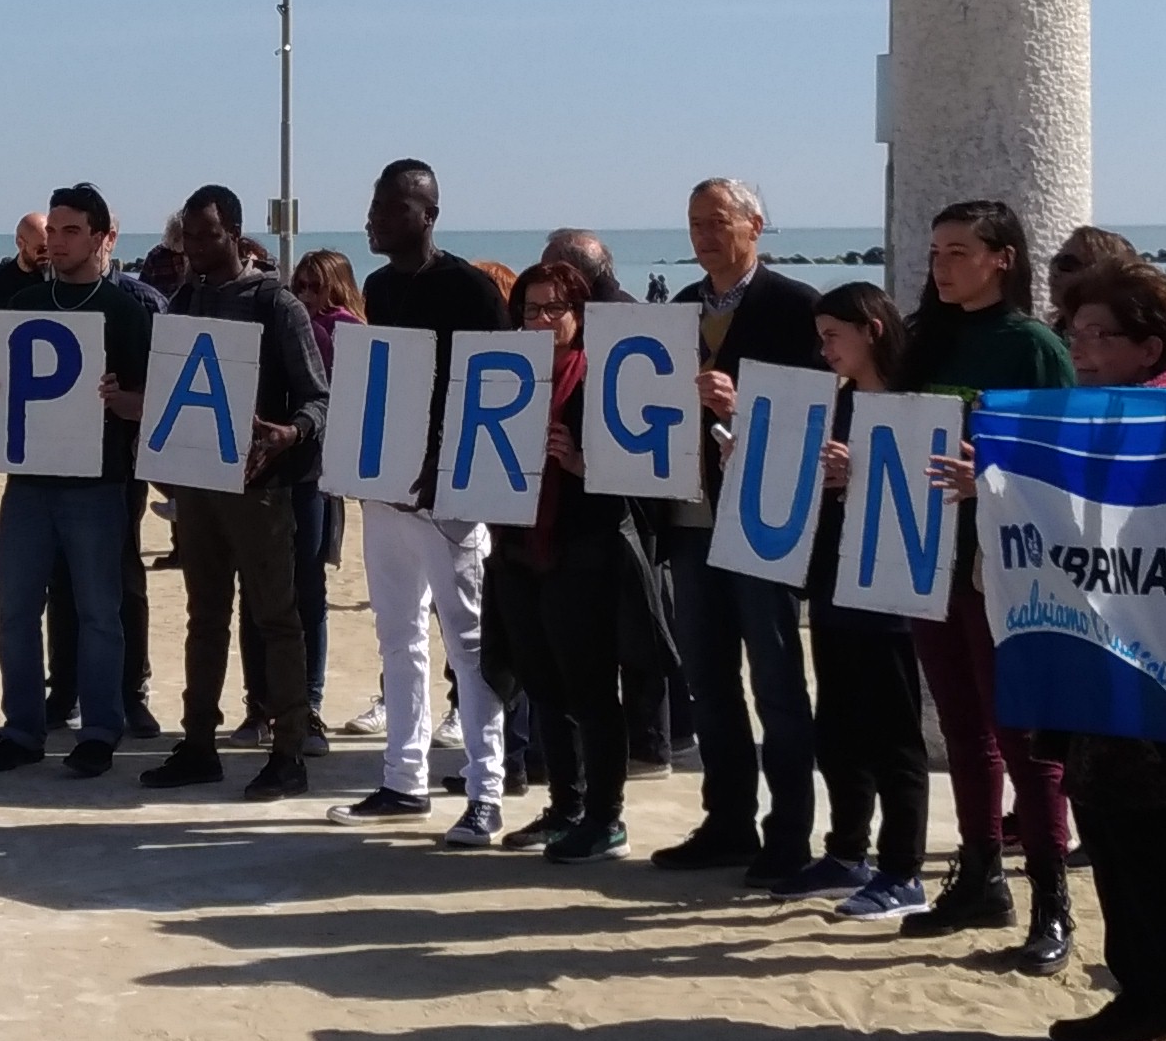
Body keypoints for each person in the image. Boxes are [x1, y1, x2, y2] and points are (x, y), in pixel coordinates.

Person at [889, 199, 1080, 965]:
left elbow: (1070, 462)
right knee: (963, 729)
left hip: (1007, 565)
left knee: (1025, 737)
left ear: (1002, 258)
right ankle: (979, 876)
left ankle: (1052, 902)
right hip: (928, 558)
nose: (940, 265)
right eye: (935, 251)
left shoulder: (1032, 347)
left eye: (958, 251)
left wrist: (991, 478)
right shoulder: (924, 339)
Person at [1038, 263, 1166, 1041]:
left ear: (1149, 346)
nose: (1079, 348)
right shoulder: (1095, 415)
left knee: (1148, 835)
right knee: (1106, 829)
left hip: (1153, 652)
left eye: (1097, 335)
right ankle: (1135, 997)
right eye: (1073, 332)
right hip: (1092, 643)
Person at [658, 178, 830, 883]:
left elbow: (822, 404)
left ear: (755, 225)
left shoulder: (798, 307)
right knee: (707, 678)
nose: (703, 235)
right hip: (692, 516)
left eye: (717, 221)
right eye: (694, 222)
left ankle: (789, 834)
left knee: (778, 679)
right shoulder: (677, 309)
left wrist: (746, 400)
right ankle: (726, 821)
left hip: (764, 519)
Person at [134, 187, 329, 798]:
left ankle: (289, 753)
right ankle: (198, 744)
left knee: (276, 618)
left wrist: (288, 432)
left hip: (263, 491)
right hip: (199, 489)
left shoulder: (278, 305)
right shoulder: (184, 300)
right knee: (205, 617)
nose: (193, 249)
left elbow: (321, 398)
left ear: (237, 234)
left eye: (206, 236)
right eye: (187, 237)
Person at [339, 164, 510, 838]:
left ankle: (486, 788)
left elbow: (498, 390)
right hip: (384, 495)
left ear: (428, 212)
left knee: (468, 646)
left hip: (448, 501)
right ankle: (402, 778)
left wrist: (451, 474)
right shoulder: (378, 286)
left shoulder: (469, 290)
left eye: (389, 206)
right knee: (396, 639)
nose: (372, 217)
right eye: (374, 204)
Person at [486, 257, 671, 861]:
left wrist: (581, 463)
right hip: (519, 551)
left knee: (590, 690)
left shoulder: (601, 377)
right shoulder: (506, 375)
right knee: (543, 688)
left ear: (579, 314)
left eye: (554, 309)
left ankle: (605, 816)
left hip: (582, 549)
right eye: (530, 309)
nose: (541, 320)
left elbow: (641, 473)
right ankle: (565, 806)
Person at [0, 184, 156, 779]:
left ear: (101, 237)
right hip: (28, 484)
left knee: (99, 613)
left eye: (70, 231)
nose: (55, 242)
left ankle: (100, 730)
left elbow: (151, 403)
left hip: (99, 485)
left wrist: (122, 399)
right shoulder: (21, 302)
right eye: (51, 231)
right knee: (13, 612)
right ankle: (21, 729)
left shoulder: (126, 310)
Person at [798, 284, 936, 915]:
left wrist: (861, 473)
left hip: (891, 591)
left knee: (894, 735)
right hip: (833, 583)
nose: (823, 348)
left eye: (833, 335)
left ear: (871, 330)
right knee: (839, 728)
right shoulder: (838, 403)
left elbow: (922, 488)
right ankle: (848, 851)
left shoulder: (918, 401)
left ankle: (903, 868)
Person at [286, 246, 362, 737]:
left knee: (310, 589)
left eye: (317, 286)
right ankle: (265, 701)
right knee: (268, 590)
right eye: (301, 286)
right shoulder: (290, 321)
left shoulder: (345, 331)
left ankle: (309, 698)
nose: (308, 296)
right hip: (279, 468)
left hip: (318, 473)